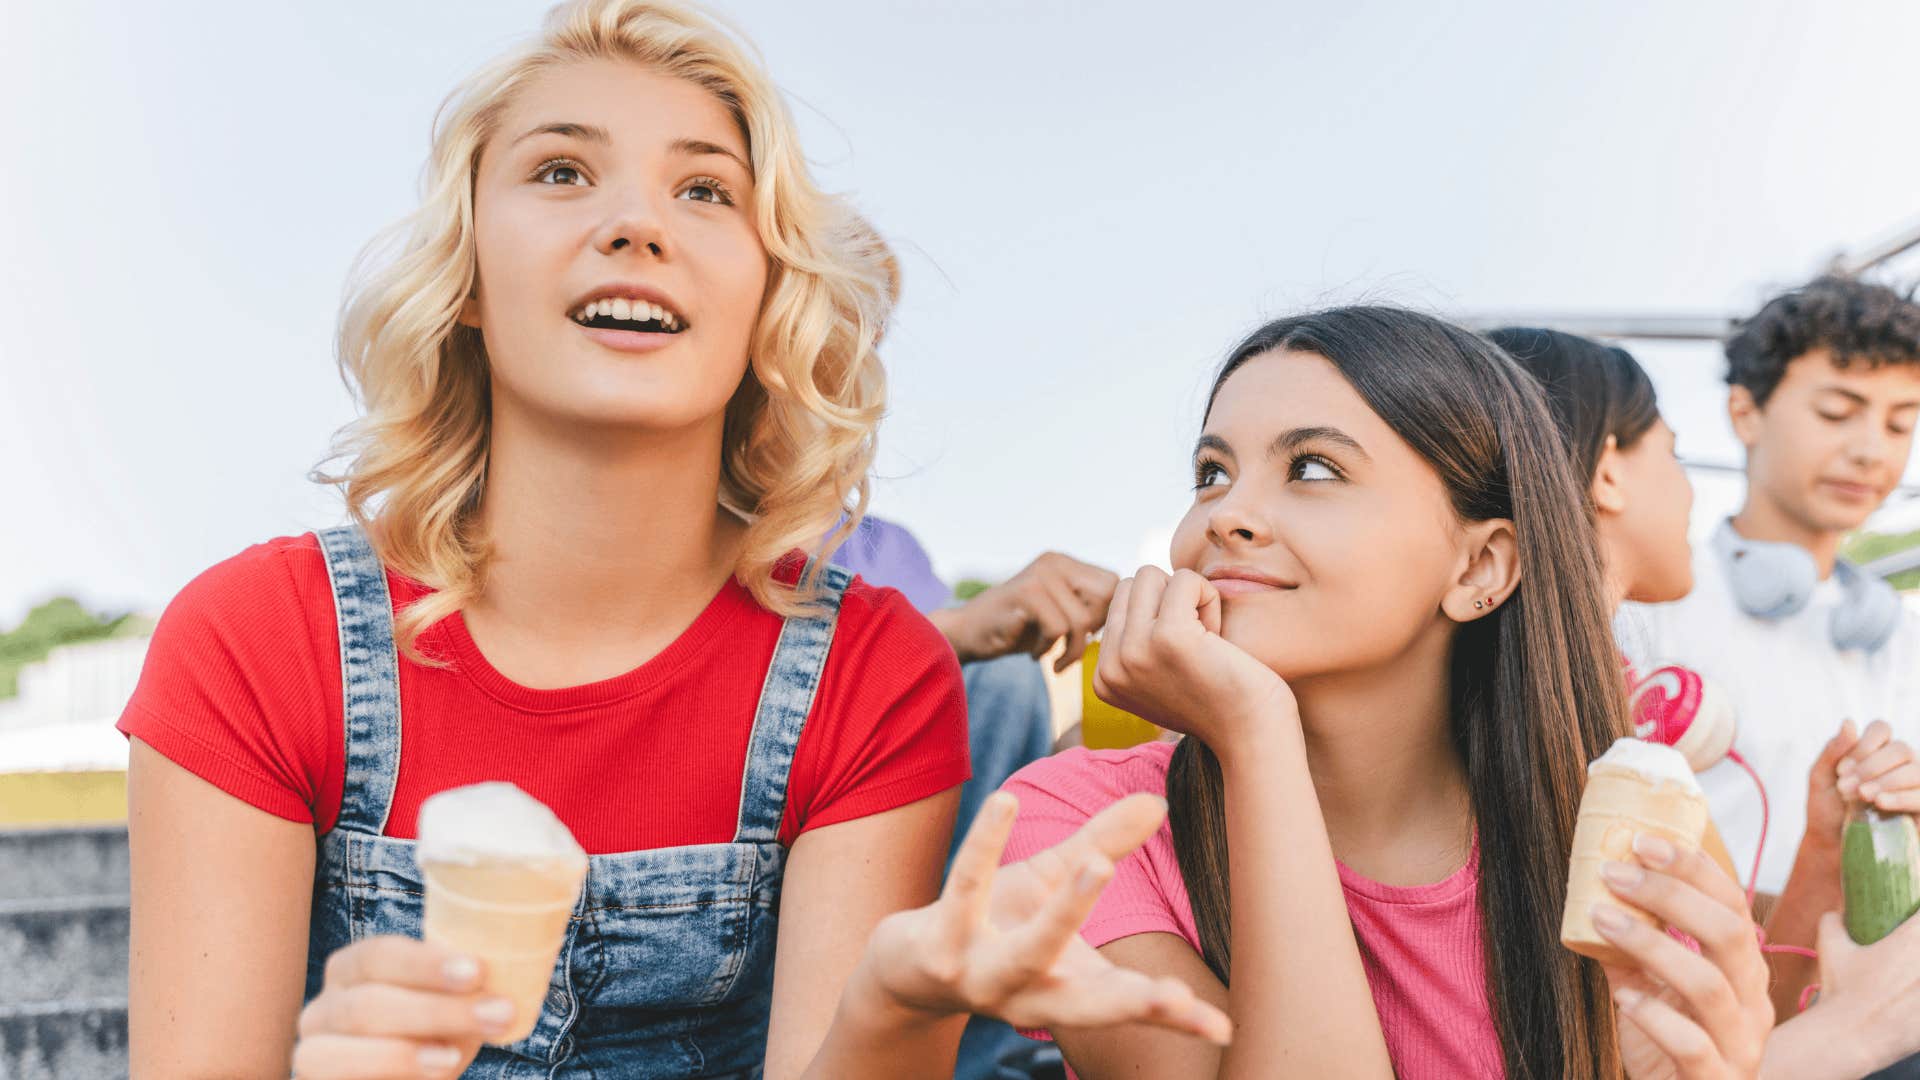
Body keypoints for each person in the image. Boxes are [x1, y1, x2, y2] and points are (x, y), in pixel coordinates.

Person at [119, 3, 1226, 1076]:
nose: (636, 224)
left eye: (706, 190)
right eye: (560, 171)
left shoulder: (873, 675)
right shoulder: (255, 640)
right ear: (463, 275)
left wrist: (895, 1006)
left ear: (769, 292)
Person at [999, 307, 1774, 1078]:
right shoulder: (1080, 826)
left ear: (1479, 569)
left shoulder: (1610, 848)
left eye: (1311, 468)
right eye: (1211, 473)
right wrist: (1254, 734)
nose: (1225, 514)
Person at [1500, 326, 1920, 1078]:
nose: (1872, 451)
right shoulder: (1650, 608)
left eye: (1900, 422)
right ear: (1745, 413)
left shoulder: (1898, 633)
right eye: (1837, 411)